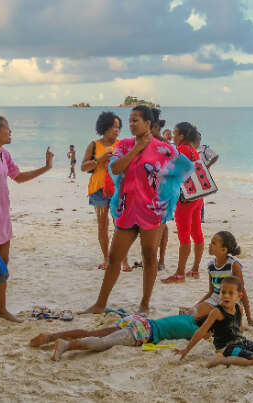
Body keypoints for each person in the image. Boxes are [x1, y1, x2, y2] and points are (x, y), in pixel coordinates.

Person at [81, 106, 194, 316]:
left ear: (148, 124)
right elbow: (115, 168)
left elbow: (186, 168)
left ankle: (144, 304)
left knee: (149, 256)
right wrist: (137, 149)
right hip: (126, 208)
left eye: (135, 120)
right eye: (130, 121)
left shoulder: (165, 149)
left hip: (153, 210)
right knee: (115, 257)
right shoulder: (124, 146)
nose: (131, 124)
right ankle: (99, 304)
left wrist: (167, 192)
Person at [0, 115, 54, 335]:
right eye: (7, 128)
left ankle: (1, 309)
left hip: (2, 214)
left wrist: (46, 167)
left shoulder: (3, 154)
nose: (10, 132)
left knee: (3, 263)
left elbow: (18, 177)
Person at [174, 276, 253, 367]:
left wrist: (242, 332)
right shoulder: (216, 312)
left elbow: (240, 328)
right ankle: (222, 359)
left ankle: (238, 352)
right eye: (223, 292)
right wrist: (187, 349)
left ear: (239, 296)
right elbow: (201, 331)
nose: (226, 295)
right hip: (226, 347)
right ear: (219, 293)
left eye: (231, 293)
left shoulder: (239, 308)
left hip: (241, 341)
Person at [30, 312, 201, 361]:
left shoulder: (187, 317)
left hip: (138, 320)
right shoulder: (193, 329)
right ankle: (65, 345)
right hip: (144, 333)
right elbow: (203, 335)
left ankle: (50, 337)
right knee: (103, 343)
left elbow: (192, 310)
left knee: (93, 334)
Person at [81, 112, 130, 272]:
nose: (116, 130)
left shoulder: (123, 144)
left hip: (118, 189)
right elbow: (83, 167)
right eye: (112, 127)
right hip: (99, 190)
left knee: (121, 225)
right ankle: (107, 259)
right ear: (104, 128)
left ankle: (124, 260)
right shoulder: (94, 145)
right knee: (102, 226)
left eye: (118, 127)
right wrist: (100, 159)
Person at [180, 231, 253, 326]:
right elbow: (211, 292)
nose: (209, 245)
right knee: (190, 315)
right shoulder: (211, 266)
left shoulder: (233, 265)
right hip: (214, 299)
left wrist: (249, 318)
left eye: (213, 243)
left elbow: (242, 292)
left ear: (223, 250)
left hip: (230, 301)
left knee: (211, 323)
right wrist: (194, 307)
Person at [162, 123, 204, 283]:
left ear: (182, 136)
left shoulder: (181, 150)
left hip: (185, 199)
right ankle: (194, 270)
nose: (173, 136)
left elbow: (169, 172)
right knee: (197, 233)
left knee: (184, 236)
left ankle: (179, 274)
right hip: (197, 196)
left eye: (175, 133)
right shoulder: (193, 150)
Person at [150, 108, 169, 272]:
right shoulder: (141, 141)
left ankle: (160, 259)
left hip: (161, 189)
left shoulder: (164, 144)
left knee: (161, 224)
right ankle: (152, 259)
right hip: (146, 189)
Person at [194, 131, 218, 223]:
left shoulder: (204, 149)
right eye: (196, 138)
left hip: (202, 175)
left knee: (200, 196)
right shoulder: (189, 148)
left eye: (199, 138)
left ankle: (201, 217)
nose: (197, 140)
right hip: (191, 174)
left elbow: (215, 156)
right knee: (192, 196)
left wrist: (208, 166)